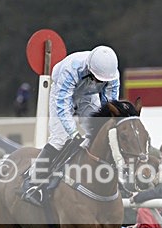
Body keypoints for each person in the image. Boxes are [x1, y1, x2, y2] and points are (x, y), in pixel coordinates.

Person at [22, 45, 120, 206]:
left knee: (96, 135)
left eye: (102, 80)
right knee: (60, 138)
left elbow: (109, 104)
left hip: (88, 96)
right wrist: (73, 133)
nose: (100, 82)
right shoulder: (71, 68)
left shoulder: (112, 75)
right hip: (62, 93)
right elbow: (62, 105)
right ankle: (32, 183)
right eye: (97, 78)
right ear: (89, 67)